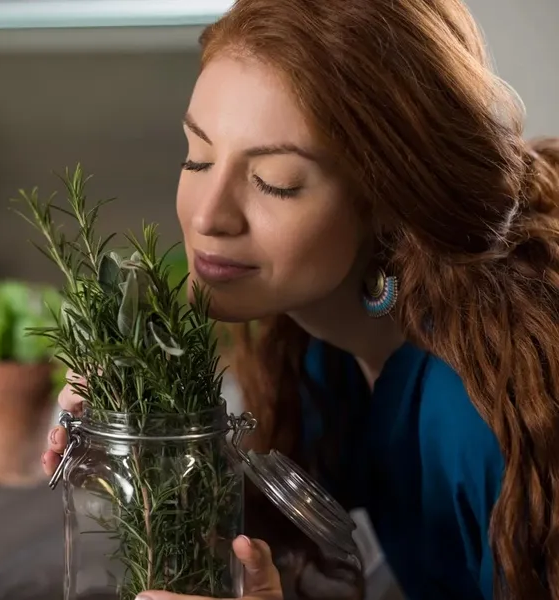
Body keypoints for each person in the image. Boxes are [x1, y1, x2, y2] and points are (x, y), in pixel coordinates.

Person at [42, 0, 559, 598]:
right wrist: (142, 432)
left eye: (275, 182)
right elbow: (284, 545)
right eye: (198, 157)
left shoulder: (476, 411)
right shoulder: (321, 349)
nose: (209, 215)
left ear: (390, 197)